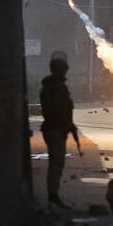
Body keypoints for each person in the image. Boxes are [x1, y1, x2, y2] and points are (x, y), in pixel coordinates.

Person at [40, 51, 74, 209]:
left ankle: (53, 195)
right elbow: (56, 110)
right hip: (55, 129)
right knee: (56, 163)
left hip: (53, 128)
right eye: (63, 68)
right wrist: (64, 123)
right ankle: (53, 196)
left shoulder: (50, 86)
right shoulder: (56, 88)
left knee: (56, 162)